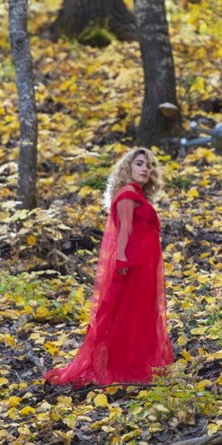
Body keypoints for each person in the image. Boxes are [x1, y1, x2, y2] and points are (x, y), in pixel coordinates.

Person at [45, 147, 173, 386]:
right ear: (127, 168)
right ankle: (122, 368)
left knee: (139, 312)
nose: (146, 168)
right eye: (139, 164)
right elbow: (124, 229)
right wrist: (123, 259)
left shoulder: (137, 195)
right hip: (133, 264)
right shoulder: (127, 195)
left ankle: (135, 365)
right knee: (127, 313)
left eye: (149, 165)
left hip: (144, 264)